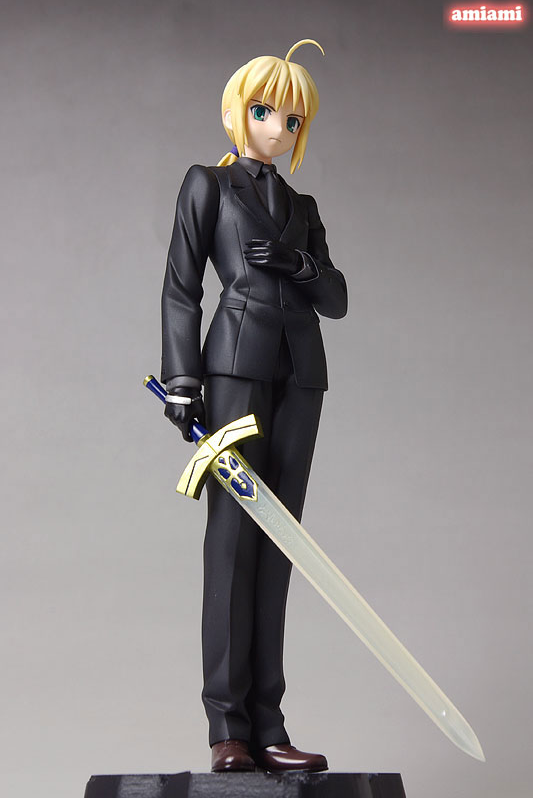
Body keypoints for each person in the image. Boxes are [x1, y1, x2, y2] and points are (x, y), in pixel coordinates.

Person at [161, 39, 347, 773]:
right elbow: (182, 286)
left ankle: (269, 722)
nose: (278, 128)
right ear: (239, 110)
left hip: (300, 375)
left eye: (293, 120)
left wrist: (297, 263)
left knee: (281, 545)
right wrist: (182, 380)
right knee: (232, 544)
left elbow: (335, 297)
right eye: (267, 111)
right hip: (234, 367)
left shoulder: (302, 207)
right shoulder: (207, 184)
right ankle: (227, 727)